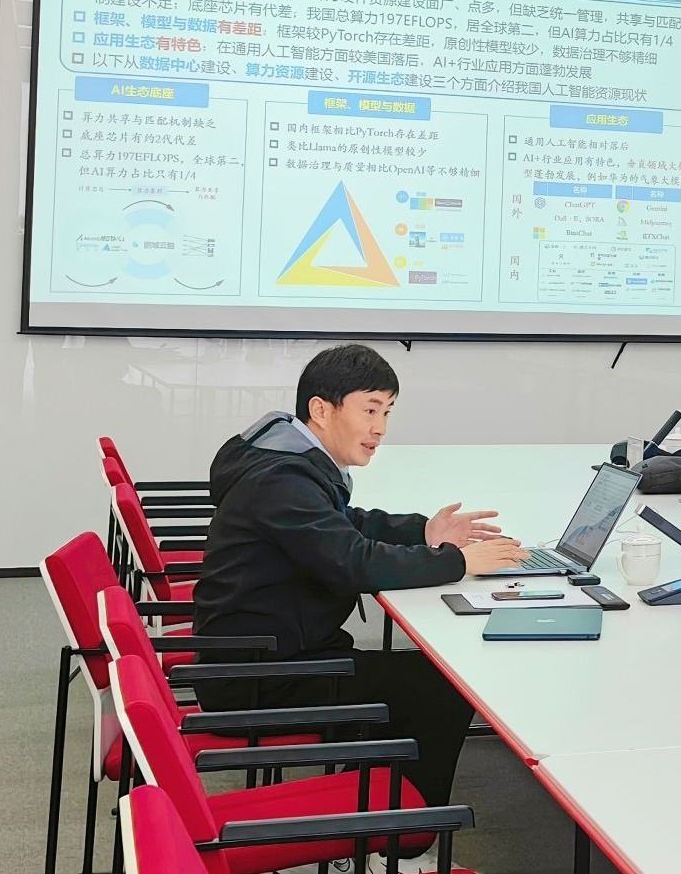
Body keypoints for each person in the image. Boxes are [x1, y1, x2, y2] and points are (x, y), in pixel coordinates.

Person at [192, 344, 527, 811]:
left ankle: (368, 807)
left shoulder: (284, 457)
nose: (380, 428)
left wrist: (424, 532)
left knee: (423, 678)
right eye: (370, 410)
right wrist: (458, 562)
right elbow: (354, 562)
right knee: (441, 688)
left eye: (387, 412)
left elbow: (344, 525)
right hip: (257, 676)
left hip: (270, 653)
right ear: (321, 410)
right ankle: (403, 832)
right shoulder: (282, 480)